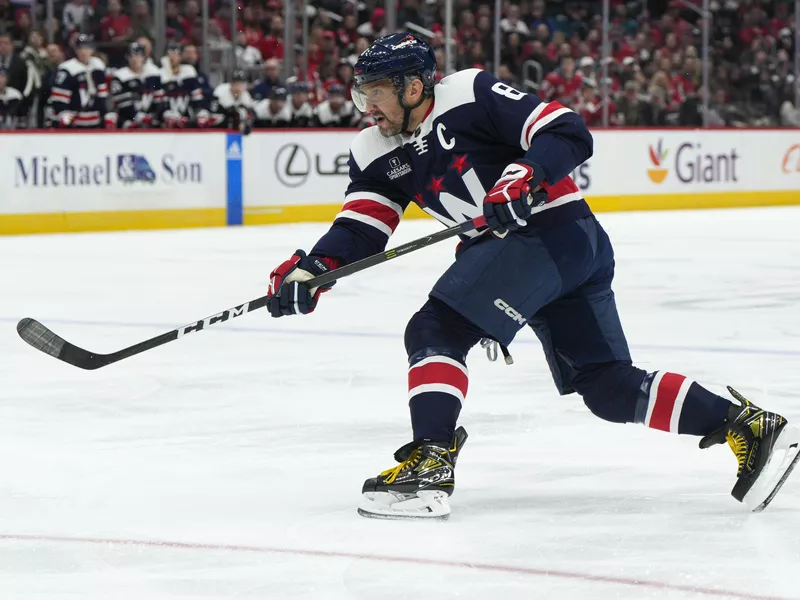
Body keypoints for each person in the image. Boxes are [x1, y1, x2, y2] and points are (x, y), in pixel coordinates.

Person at [264, 33, 800, 520]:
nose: (368, 106)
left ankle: (430, 463)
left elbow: (565, 130)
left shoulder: (469, 93)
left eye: (377, 91)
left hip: (549, 232)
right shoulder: (372, 150)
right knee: (607, 387)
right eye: (362, 94)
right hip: (553, 249)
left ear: (412, 87)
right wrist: (314, 269)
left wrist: (524, 173)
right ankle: (747, 425)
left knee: (436, 330)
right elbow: (361, 227)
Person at [47, 34, 107, 129]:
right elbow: (59, 98)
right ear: (75, 50)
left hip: (95, 122)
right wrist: (63, 113)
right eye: (80, 48)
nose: (83, 52)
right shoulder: (67, 69)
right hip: (74, 122)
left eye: (87, 48)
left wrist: (105, 114)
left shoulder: (98, 67)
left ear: (92, 50)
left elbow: (102, 95)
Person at [107, 41, 163, 129]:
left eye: (138, 55)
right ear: (127, 57)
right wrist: (139, 118)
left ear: (144, 57)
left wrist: (155, 117)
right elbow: (123, 106)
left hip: (150, 121)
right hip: (128, 122)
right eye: (131, 55)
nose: (135, 59)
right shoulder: (120, 76)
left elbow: (159, 100)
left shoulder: (154, 74)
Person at [160, 41, 208, 128]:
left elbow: (197, 98)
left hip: (187, 116)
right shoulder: (161, 73)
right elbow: (161, 105)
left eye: (176, 54)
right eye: (169, 54)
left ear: (180, 56)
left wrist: (200, 113)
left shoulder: (189, 71)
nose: (172, 57)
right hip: (167, 118)